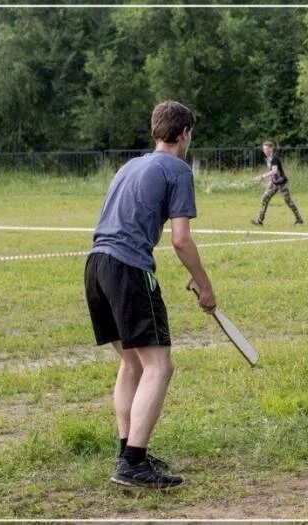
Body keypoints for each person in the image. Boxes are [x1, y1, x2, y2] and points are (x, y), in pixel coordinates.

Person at [85, 100, 216, 488]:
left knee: (132, 364)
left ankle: (128, 452)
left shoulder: (129, 165)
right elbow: (180, 239)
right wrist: (205, 286)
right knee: (159, 366)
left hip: (95, 267)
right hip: (127, 269)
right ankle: (133, 463)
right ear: (185, 133)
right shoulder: (178, 169)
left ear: (156, 130)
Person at [251, 141, 304, 226]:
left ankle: (299, 220)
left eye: (267, 149)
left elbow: (274, 171)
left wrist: (262, 177)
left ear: (272, 149)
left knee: (288, 201)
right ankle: (260, 221)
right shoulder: (268, 159)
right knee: (264, 198)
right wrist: (268, 181)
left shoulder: (274, 158)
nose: (265, 151)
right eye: (264, 149)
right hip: (273, 183)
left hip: (282, 183)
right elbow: (273, 173)